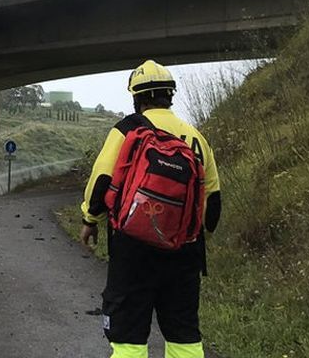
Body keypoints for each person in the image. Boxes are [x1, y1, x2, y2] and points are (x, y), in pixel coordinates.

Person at [80, 60, 222, 358]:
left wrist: (90, 219)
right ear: (170, 96)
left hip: (133, 247)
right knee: (183, 332)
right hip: (185, 249)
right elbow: (213, 203)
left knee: (129, 333)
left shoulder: (126, 131)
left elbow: (101, 180)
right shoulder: (196, 137)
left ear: (136, 98)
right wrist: (197, 235)